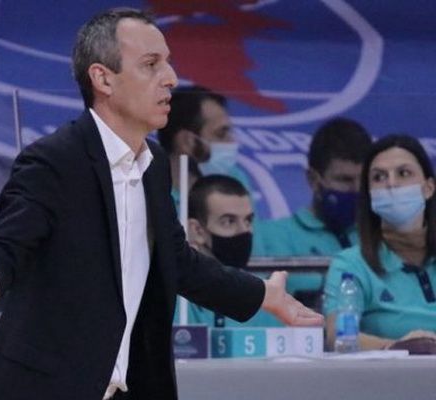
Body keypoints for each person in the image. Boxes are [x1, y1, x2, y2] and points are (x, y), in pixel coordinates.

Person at [0, 8, 322, 400]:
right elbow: (11, 239)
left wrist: (262, 295)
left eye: (168, 62)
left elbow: (178, 261)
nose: (171, 78)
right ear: (103, 79)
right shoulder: (55, 160)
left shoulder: (154, 164)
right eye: (151, 64)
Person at [323, 134, 436, 351]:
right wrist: (399, 348)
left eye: (404, 173)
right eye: (379, 177)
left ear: (428, 188)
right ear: (370, 195)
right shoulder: (351, 265)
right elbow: (337, 336)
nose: (391, 183)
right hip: (389, 372)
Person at [252, 117, 373, 307]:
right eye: (345, 180)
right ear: (313, 180)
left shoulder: (379, 237)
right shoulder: (269, 237)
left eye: (364, 180)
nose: (356, 190)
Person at [157, 85, 252, 208]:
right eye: (221, 134)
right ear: (187, 142)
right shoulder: (147, 190)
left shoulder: (234, 179)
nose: (232, 141)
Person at [177, 174, 254, 326]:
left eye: (248, 220)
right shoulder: (177, 303)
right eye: (229, 221)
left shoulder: (258, 298)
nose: (244, 230)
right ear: (197, 230)